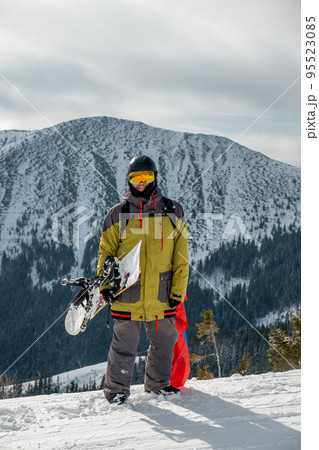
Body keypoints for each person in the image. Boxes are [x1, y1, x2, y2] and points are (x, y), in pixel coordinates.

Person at [97, 155, 189, 404]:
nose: (141, 183)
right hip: (128, 292)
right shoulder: (117, 214)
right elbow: (106, 254)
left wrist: (177, 292)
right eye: (136, 178)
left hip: (162, 292)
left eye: (146, 177)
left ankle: (158, 384)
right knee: (124, 345)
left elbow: (181, 257)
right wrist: (105, 286)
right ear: (129, 180)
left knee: (165, 340)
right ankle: (117, 391)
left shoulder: (172, 211)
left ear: (155, 177)